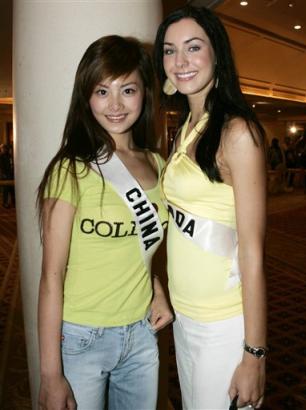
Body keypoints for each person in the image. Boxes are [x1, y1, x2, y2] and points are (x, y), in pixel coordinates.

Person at [37, 35, 173, 410]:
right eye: (102, 91)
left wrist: (155, 285)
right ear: (86, 97)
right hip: (82, 337)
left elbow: (138, 246)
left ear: (144, 93)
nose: (115, 105)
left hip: (142, 334)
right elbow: (51, 277)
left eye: (127, 89)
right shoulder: (71, 170)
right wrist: (50, 374)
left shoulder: (159, 165)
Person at [154, 6, 267, 410]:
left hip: (223, 321)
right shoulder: (187, 126)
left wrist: (253, 354)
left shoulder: (237, 131)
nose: (180, 62)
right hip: (185, 317)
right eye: (169, 50)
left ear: (216, 52)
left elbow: (253, 251)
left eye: (193, 47)